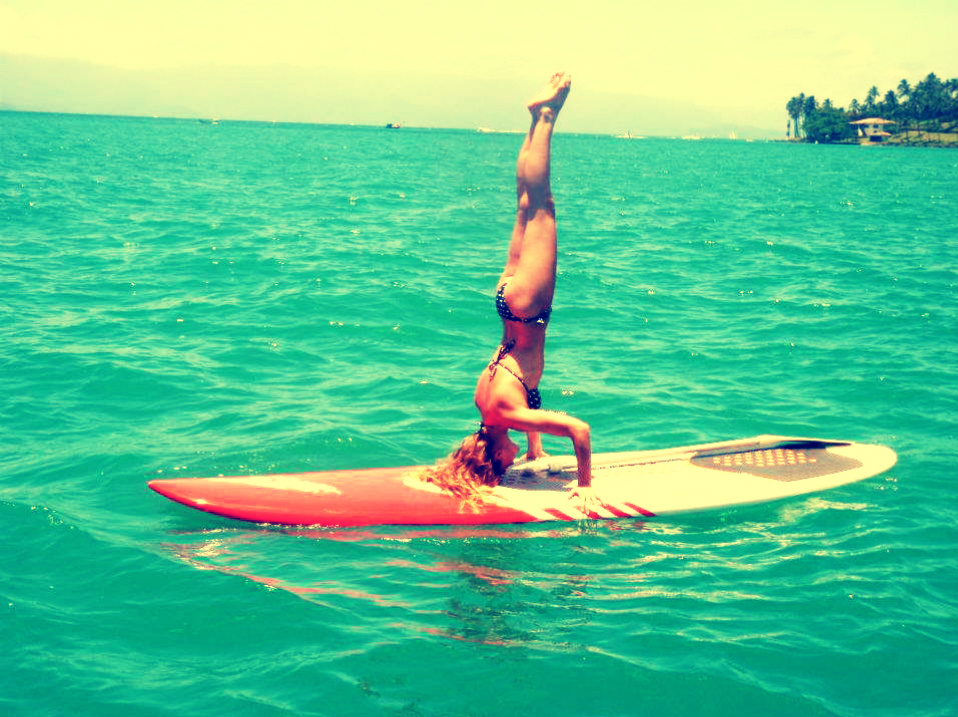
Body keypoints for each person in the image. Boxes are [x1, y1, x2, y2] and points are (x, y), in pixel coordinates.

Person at [421, 72, 598, 510]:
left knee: (542, 205)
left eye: (501, 466)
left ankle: (547, 116)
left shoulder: (507, 416)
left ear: (493, 455)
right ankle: (536, 117)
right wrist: (535, 450)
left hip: (528, 307)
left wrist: (585, 484)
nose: (507, 465)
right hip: (507, 302)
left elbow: (580, 430)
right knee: (524, 203)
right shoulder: (486, 406)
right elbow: (527, 393)